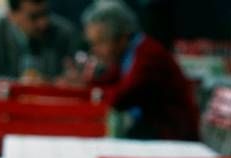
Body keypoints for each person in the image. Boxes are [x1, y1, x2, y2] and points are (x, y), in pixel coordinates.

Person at [82, 2, 200, 140]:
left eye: (100, 42)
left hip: (174, 139)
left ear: (122, 37)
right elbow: (107, 83)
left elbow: (121, 97)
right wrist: (87, 84)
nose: (95, 50)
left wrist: (93, 92)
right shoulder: (127, 53)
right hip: (150, 132)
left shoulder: (148, 55)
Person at [0, 0, 77, 93]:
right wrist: (15, 85)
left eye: (45, 13)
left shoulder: (63, 33)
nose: (43, 23)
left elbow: (72, 75)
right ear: (12, 16)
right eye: (34, 17)